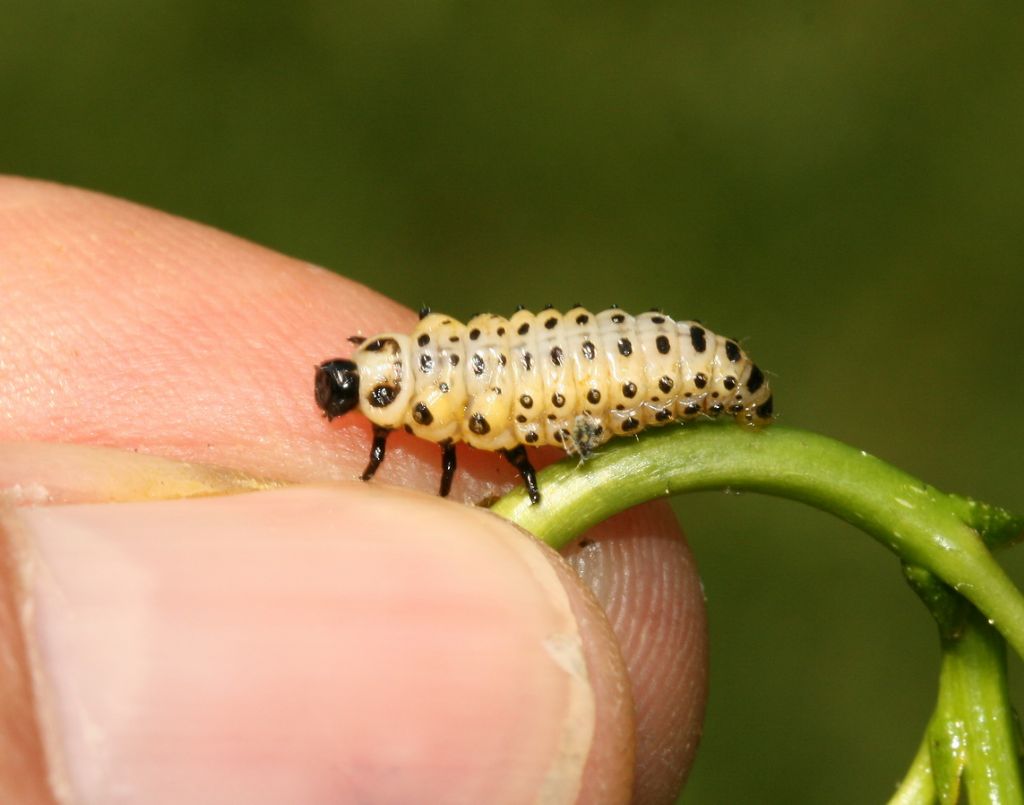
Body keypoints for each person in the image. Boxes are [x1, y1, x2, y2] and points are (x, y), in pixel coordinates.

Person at [0, 177, 706, 803]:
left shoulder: (432, 402)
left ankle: (716, 380)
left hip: (628, 365)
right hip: (606, 358)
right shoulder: (431, 393)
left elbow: (455, 445)